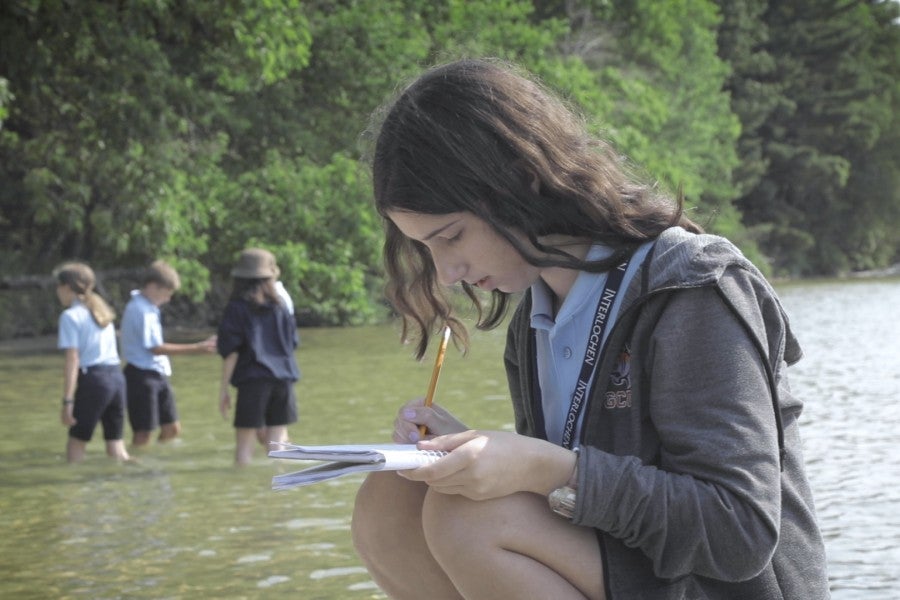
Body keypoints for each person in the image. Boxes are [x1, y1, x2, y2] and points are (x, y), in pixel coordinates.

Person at [350, 59, 829, 599]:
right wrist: (475, 457)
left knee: (469, 520)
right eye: (425, 247)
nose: (445, 272)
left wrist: (548, 469)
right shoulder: (534, 317)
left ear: (518, 181)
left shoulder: (693, 288)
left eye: (451, 236)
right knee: (394, 497)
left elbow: (738, 533)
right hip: (637, 570)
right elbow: (570, 501)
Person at [120, 260, 217, 447]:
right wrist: (196, 348)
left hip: (156, 373)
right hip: (140, 375)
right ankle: (138, 469)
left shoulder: (149, 307)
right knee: (143, 433)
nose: (168, 299)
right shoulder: (139, 309)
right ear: (152, 287)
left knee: (172, 428)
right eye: (167, 293)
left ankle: (155, 463)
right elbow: (155, 347)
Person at [216, 248, 300, 466]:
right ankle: (278, 492)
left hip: (253, 380)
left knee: (244, 449)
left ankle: (244, 492)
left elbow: (231, 351)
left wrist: (223, 389)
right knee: (279, 448)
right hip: (284, 379)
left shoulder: (236, 308)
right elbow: (292, 343)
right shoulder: (281, 305)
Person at [53, 262, 130, 463]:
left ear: (67, 287)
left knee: (76, 444)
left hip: (95, 381)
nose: (57, 291)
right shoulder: (102, 312)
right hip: (116, 379)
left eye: (58, 286)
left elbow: (72, 359)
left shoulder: (70, 317)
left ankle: (72, 491)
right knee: (116, 447)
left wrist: (67, 401)